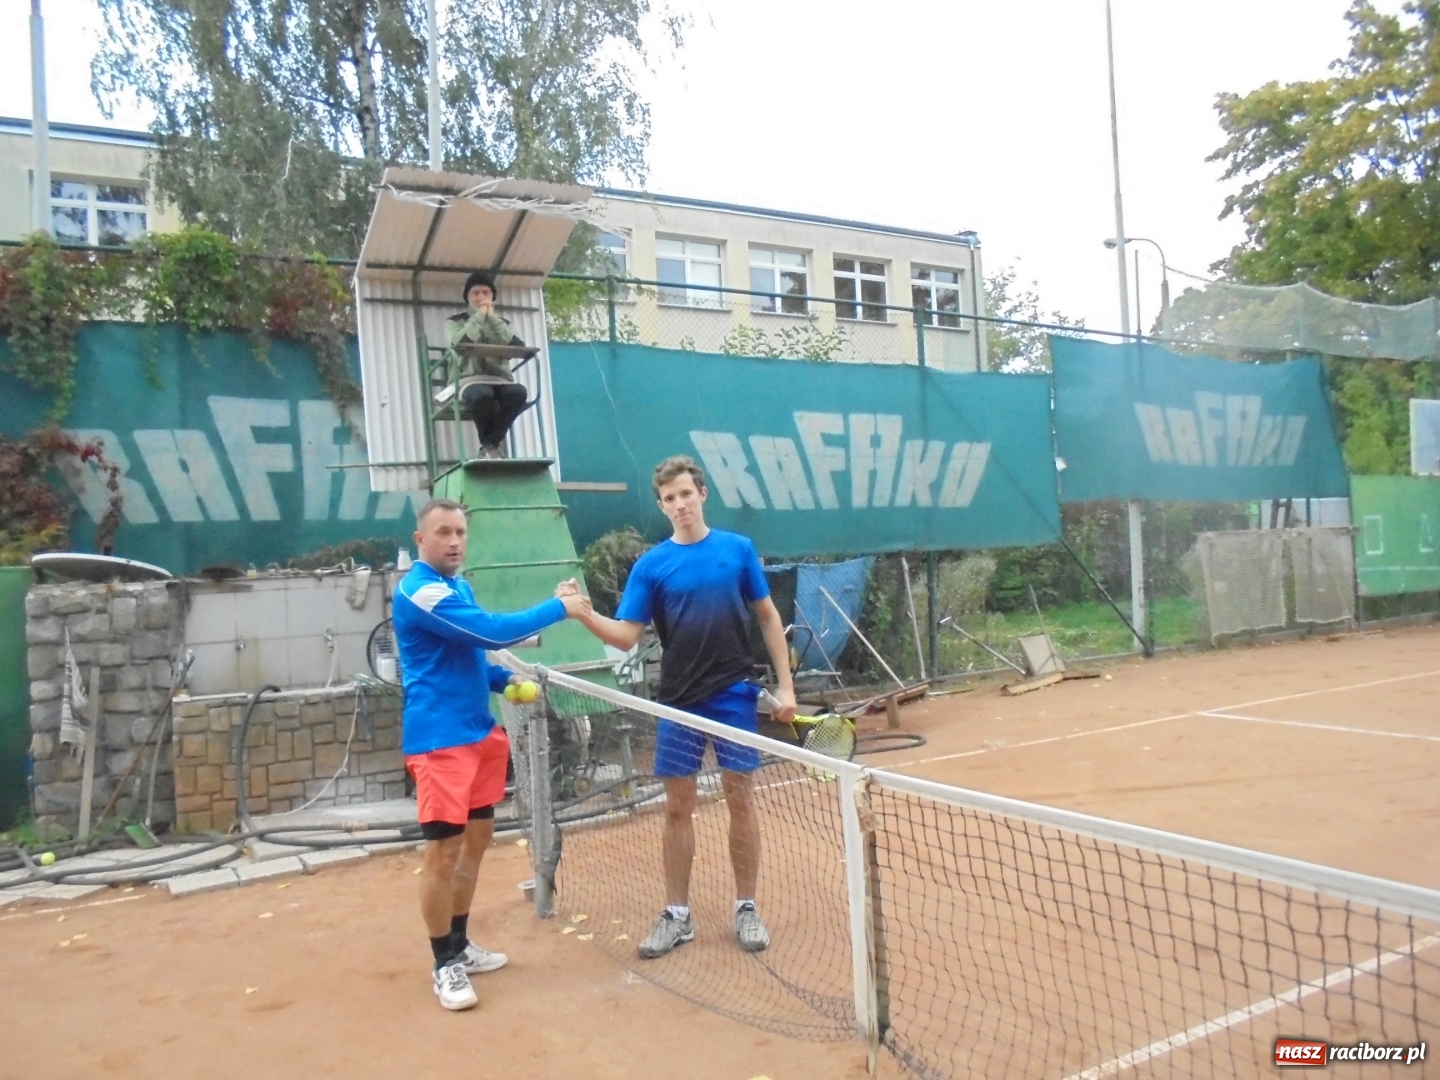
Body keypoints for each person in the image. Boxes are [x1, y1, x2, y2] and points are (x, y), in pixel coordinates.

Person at [562, 455, 797, 959]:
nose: (679, 504)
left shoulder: (737, 550)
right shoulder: (651, 566)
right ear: (662, 506)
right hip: (679, 704)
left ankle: (747, 906)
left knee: (740, 800)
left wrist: (786, 687)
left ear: (702, 494)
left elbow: (768, 616)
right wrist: (583, 614)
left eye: (686, 494)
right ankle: (677, 915)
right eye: (669, 498)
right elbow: (625, 637)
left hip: (733, 696)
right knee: (676, 807)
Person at [393, 498, 590, 1011]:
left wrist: (504, 681)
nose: (454, 541)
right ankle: (444, 964)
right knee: (443, 854)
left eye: (460, 532)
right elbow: (490, 632)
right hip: (440, 743)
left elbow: (470, 656)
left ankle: (459, 944)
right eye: (443, 532)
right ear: (421, 540)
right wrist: (560, 607)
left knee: (476, 843)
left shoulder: (458, 586)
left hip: (480, 736)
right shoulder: (420, 591)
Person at [445, 270, 530, 458]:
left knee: (518, 392)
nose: (481, 297)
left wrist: (492, 319)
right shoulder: (455, 322)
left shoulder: (503, 323)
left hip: (500, 380)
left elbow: (516, 345)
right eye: (475, 293)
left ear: (493, 296)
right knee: (482, 395)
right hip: (468, 380)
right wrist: (479, 316)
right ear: (467, 297)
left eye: (485, 292)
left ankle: (489, 445)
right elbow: (459, 343)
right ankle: (491, 446)